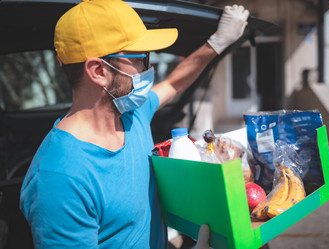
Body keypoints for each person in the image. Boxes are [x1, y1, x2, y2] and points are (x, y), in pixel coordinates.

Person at [19, 0, 249, 248]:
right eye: (141, 58)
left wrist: (216, 44)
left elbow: (173, 84)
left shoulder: (131, 115)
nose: (149, 68)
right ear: (99, 71)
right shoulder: (60, 178)